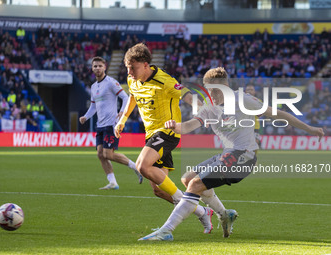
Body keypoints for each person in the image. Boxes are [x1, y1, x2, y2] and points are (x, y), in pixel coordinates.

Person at [139, 67, 324, 241]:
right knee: (188, 179)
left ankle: (166, 231)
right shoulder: (209, 107)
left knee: (195, 184)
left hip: (245, 156)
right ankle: (224, 214)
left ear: (225, 86)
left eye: (214, 90)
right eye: (208, 90)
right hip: (228, 154)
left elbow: (278, 114)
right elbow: (188, 126)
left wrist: (310, 128)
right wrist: (175, 126)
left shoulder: (243, 100)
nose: (211, 95)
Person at [114, 43, 214, 234]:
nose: (130, 72)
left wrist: (201, 110)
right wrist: (123, 120)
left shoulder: (164, 80)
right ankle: (202, 211)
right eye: (127, 68)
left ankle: (184, 199)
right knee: (158, 190)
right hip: (151, 135)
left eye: (133, 68)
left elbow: (187, 95)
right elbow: (132, 96)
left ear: (145, 65)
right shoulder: (132, 79)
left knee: (142, 166)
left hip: (168, 131)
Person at [79, 56, 143, 190]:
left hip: (111, 124)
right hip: (100, 125)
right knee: (100, 154)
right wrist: (86, 117)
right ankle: (113, 182)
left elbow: (125, 98)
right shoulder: (93, 86)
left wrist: (121, 112)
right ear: (92, 68)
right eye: (95, 66)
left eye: (99, 66)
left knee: (108, 154)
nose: (97, 68)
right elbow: (93, 106)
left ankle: (135, 167)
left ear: (105, 67)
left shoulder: (110, 82)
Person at [245, 84, 261, 150]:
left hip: (255, 126)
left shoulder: (259, 101)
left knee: (255, 144)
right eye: (248, 89)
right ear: (245, 91)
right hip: (243, 126)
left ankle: (254, 160)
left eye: (251, 90)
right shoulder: (240, 101)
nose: (250, 91)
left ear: (254, 92)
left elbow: (259, 114)